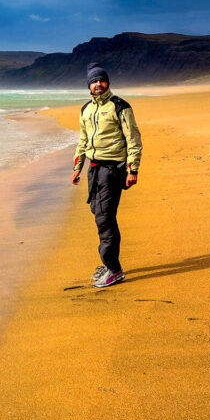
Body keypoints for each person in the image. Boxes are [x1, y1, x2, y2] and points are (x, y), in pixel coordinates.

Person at [70, 63, 142, 288]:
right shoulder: (86, 109)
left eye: (101, 80)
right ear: (89, 85)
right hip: (94, 169)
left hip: (112, 169)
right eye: (93, 81)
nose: (98, 84)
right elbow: (83, 139)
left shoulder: (120, 106)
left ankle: (114, 268)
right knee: (99, 212)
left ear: (107, 82)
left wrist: (133, 169)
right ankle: (109, 263)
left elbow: (133, 139)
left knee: (105, 218)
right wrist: (77, 166)